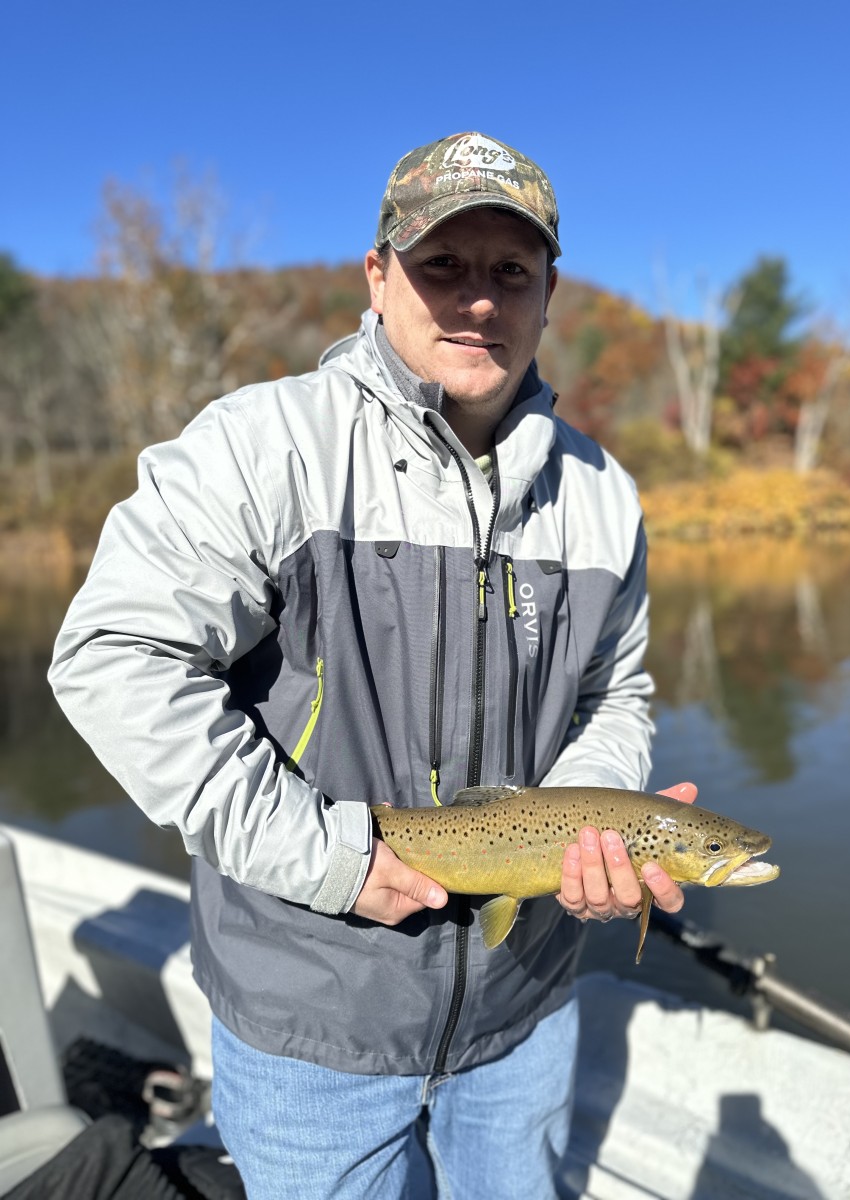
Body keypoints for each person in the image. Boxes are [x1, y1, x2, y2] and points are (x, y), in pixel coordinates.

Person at [49, 131, 696, 1200]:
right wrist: (331, 859)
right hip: (310, 1015)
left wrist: (602, 818)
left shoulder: (603, 494)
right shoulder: (260, 448)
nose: (477, 300)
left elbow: (612, 691)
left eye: (509, 271)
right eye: (442, 264)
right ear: (378, 274)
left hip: (522, 1005)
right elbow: (115, 658)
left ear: (547, 291)